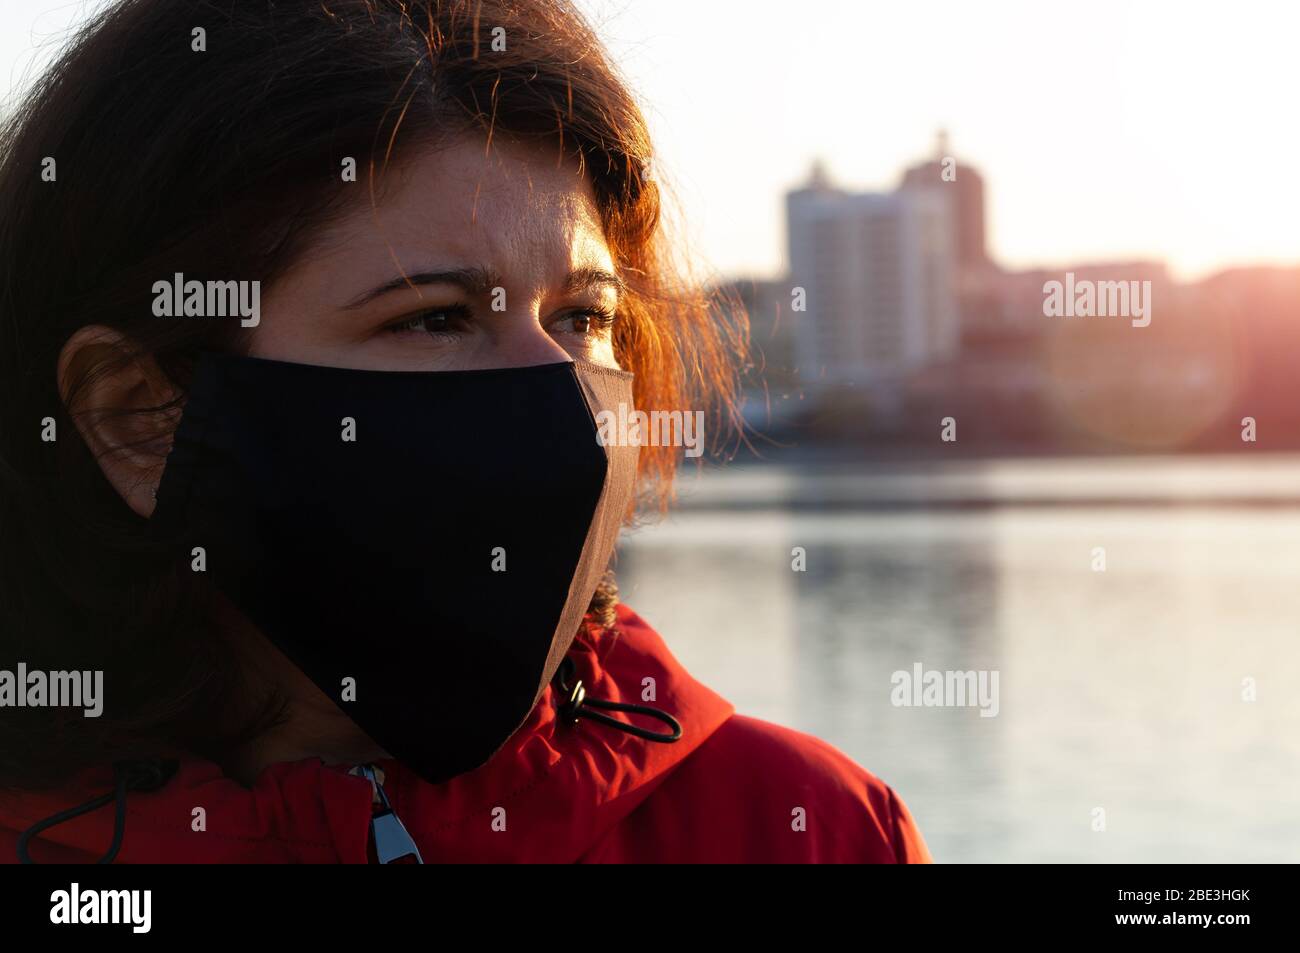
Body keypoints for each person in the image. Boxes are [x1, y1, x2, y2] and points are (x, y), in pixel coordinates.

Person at [0, 0, 931, 863]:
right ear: (138, 419)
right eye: (434, 317)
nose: (558, 396)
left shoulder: (806, 829)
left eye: (584, 316)